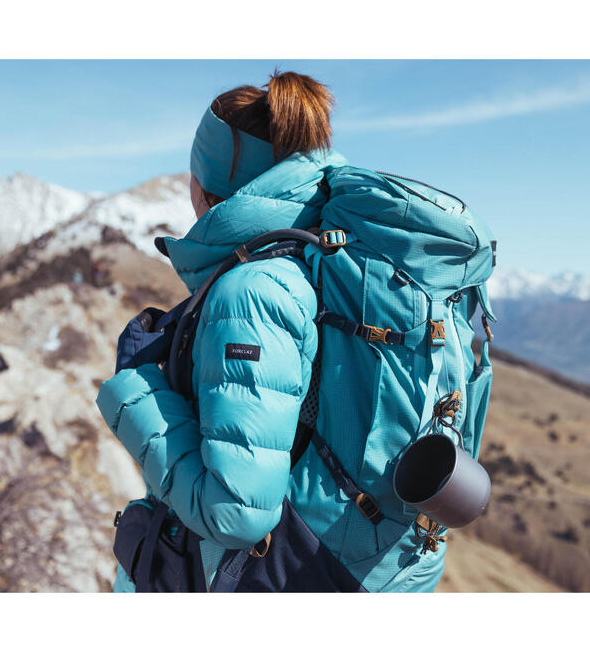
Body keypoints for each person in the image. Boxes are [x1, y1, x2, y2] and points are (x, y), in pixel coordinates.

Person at [97, 69, 495, 592]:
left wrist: (133, 393)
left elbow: (237, 513)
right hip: (383, 574)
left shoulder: (256, 289)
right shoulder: (333, 260)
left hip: (290, 575)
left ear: (208, 187)